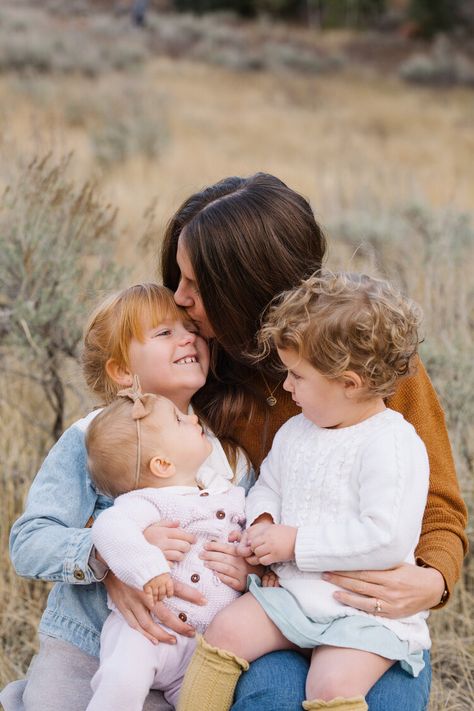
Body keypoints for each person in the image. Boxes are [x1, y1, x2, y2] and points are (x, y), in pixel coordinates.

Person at [161, 173, 468, 711]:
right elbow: (142, 480)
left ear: (245, 289)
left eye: (196, 284)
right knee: (272, 700)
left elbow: (437, 507)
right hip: (270, 601)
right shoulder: (196, 370)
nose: (179, 298)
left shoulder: (369, 367)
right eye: (179, 277)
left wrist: (433, 581)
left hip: (366, 612)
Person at [177, 271, 431, 711]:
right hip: (293, 594)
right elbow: (271, 484)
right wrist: (263, 520)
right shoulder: (299, 430)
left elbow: (385, 536)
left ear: (349, 384)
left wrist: (293, 542)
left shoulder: (391, 443)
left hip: (360, 611)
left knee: (331, 685)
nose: (288, 386)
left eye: (297, 376)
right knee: (226, 631)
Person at [0, 283, 252, 711]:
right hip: (89, 644)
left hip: (190, 655)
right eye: (164, 333)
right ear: (122, 372)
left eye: (190, 327)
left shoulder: (225, 453)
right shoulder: (89, 440)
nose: (188, 337)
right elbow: (29, 542)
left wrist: (246, 564)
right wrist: (111, 553)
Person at [84, 387, 246, 710]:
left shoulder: (225, 491)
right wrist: (149, 569)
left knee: (205, 700)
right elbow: (108, 528)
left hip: (202, 645)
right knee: (122, 681)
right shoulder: (149, 501)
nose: (192, 418)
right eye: (179, 420)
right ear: (161, 464)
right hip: (145, 632)